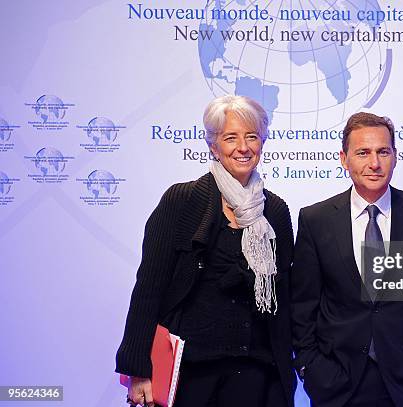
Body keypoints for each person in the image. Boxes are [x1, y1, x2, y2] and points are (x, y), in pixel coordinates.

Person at [116, 95, 296, 407]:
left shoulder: (275, 211)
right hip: (190, 374)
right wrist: (137, 369)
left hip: (254, 373)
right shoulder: (182, 201)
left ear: (263, 143)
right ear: (213, 145)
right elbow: (149, 289)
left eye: (252, 136)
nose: (243, 147)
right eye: (231, 138)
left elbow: (285, 300)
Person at [291, 112, 403, 407]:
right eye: (363, 153)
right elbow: (302, 307)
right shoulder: (315, 219)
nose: (374, 163)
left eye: (383, 151)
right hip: (338, 385)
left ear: (395, 156)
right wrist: (311, 368)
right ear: (344, 159)